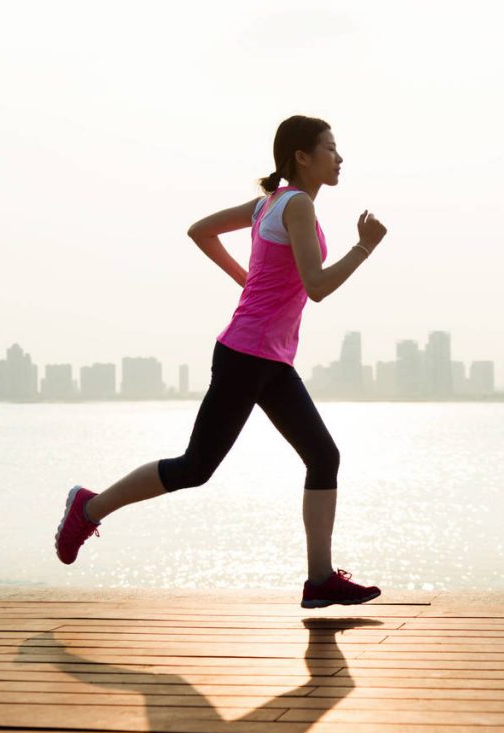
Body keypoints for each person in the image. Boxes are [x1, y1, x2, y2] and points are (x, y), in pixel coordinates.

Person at [54, 115, 388, 608]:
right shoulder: (293, 204)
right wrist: (365, 247)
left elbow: (200, 231)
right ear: (302, 156)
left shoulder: (269, 203)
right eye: (331, 148)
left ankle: (319, 581)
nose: (340, 159)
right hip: (245, 356)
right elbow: (316, 288)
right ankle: (90, 507)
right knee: (195, 467)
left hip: (269, 358)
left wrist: (248, 282)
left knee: (323, 455)